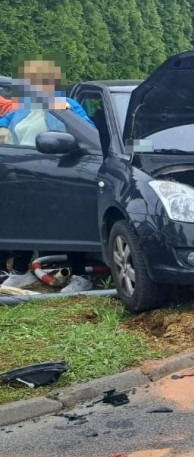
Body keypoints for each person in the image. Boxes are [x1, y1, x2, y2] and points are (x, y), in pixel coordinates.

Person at [0, 59, 96, 293]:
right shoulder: (20, 110)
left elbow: (87, 132)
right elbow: (4, 125)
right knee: (23, 221)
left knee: (64, 223)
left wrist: (66, 114)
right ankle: (20, 272)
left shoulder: (66, 105)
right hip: (21, 175)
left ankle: (81, 276)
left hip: (56, 173)